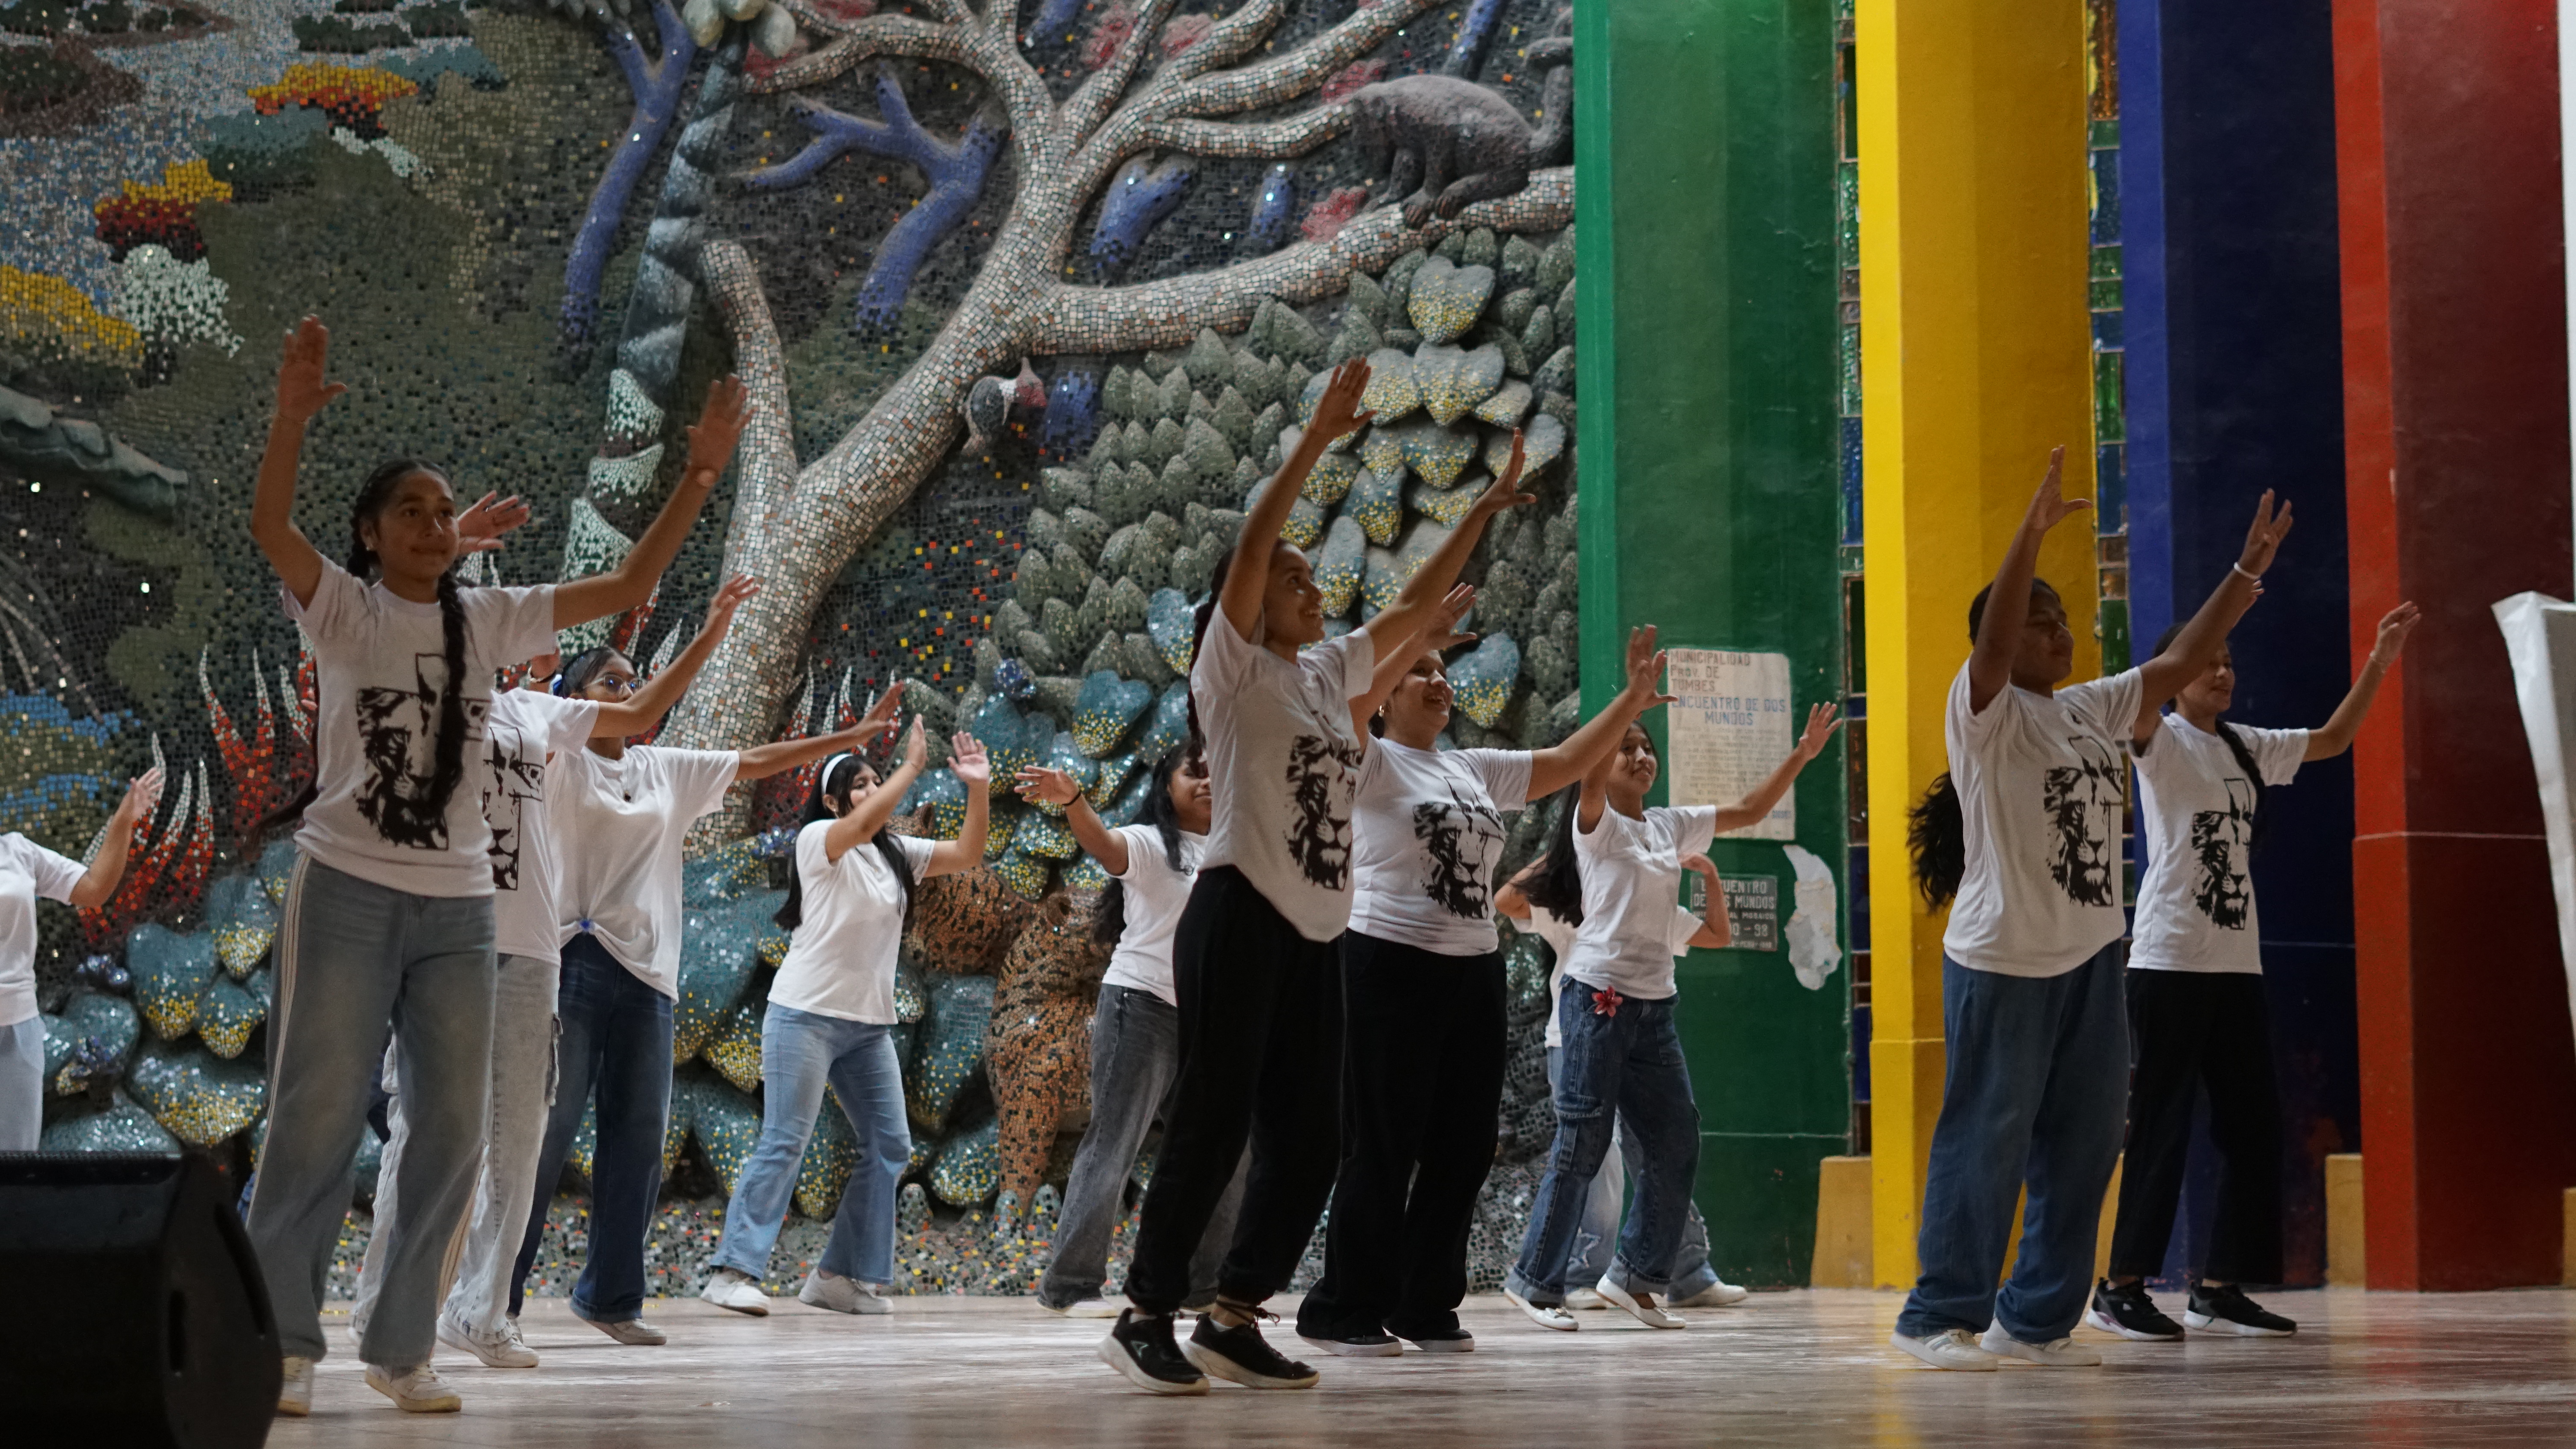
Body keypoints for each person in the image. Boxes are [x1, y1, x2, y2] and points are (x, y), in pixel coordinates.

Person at [245, 316, 747, 1416]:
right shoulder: (345, 606)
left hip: (464, 907)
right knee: (317, 1114)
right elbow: (270, 523)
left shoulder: (491, 617)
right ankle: (279, 1336)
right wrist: (289, 417)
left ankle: (401, 1342)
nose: (432, 524)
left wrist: (701, 474)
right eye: (410, 511)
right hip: (344, 887)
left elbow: (628, 584)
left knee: (458, 1128)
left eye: (442, 511)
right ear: (372, 535)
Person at [1095, 358, 1533, 1396]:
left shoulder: (1332, 675)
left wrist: (1484, 505)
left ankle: (1234, 1313)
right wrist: (1316, 441)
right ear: (1244, 606)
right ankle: (1145, 1309)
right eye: (1295, 580)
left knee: (1316, 1135)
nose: (1309, 586)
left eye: (1309, 578)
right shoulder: (1232, 665)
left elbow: (1420, 603)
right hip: (1239, 908)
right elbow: (1253, 546)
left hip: (1315, 935)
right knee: (1215, 1109)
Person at [1889, 448, 2292, 1372]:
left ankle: (2033, 1319)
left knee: (2083, 1147)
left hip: (2091, 961)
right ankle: (1937, 1315)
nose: (2059, 635)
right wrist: (2027, 539)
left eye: (2063, 621)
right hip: (2002, 959)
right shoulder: (1983, 711)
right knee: (1986, 1139)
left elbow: (2183, 659)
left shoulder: (2088, 709)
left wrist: (2245, 575)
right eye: (2039, 623)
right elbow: (1992, 643)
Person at [348, 577, 761, 1368]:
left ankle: (481, 1309)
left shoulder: (539, 714)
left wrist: (710, 634)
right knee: (424, 1129)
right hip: (445, 931)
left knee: (519, 1141)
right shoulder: (414, 691)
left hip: (533, 944)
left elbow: (638, 718)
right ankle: (382, 1317)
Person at [1290, 615, 1683, 1357]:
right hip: (1386, 960)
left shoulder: (1472, 767)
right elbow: (1345, 704)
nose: (1441, 681)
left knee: (1464, 1145)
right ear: (1384, 696)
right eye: (1422, 671)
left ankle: (1423, 1304)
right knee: (1382, 1140)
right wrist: (1408, 638)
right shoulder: (1366, 756)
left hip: (1473, 969)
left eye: (1444, 670)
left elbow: (1569, 759)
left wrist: (1631, 700)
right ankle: (1344, 1306)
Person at [507, 658, 901, 1343]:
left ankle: (610, 1300)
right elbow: (524, 716)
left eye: (633, 680)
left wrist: (847, 736)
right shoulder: (557, 759)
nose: (627, 692)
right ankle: (494, 1302)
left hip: (649, 974)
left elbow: (754, 759)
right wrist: (541, 682)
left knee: (638, 1142)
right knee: (548, 1134)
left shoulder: (663, 768)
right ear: (573, 702)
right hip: (575, 960)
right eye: (611, 682)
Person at [2086, 601, 2418, 1342]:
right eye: (2209, 660)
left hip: (2236, 964)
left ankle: (2217, 1286)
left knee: (2253, 1126)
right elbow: (2141, 694)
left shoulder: (2242, 748)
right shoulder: (2159, 737)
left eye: (2231, 660)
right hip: (2168, 960)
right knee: (2162, 1128)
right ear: (2178, 675)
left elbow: (2333, 739)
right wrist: (2231, 592)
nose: (2225, 671)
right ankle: (2120, 1286)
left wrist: (2378, 662)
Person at [1498, 701, 1842, 1331]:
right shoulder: (1594, 821)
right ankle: (1536, 1282)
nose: (1640, 756)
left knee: (1676, 1140)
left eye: (1647, 747)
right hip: (1595, 1000)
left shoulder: (1670, 826)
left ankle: (1634, 1276)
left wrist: (1803, 754)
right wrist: (1629, 699)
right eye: (1626, 747)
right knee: (1584, 1144)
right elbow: (1589, 770)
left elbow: (1749, 811)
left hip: (1654, 1008)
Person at [700, 718, 991, 1316]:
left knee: (889, 1144)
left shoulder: (895, 856)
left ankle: (837, 1277)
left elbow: (968, 852)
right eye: (860, 785)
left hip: (866, 1027)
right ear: (833, 801)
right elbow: (859, 824)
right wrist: (910, 768)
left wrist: (979, 789)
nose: (872, 793)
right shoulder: (819, 840)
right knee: (786, 1139)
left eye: (876, 781)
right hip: (803, 1015)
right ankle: (731, 1271)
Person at [1013, 745, 1251, 1319]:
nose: (1208, 780)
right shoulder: (1148, 844)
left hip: (1209, 1022)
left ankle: (1200, 1286)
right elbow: (1102, 842)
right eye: (1194, 771)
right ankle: (1071, 1284)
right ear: (1165, 789)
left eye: (1219, 771)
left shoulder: (1240, 853)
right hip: (1140, 1008)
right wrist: (1073, 800)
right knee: (1114, 1141)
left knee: (1228, 1153)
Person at [1498, 847, 1742, 1312]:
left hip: (1637, 1043)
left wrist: (1710, 874)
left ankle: (1686, 1271)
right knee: (1596, 1154)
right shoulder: (1571, 903)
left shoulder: (1649, 904)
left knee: (1661, 1150)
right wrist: (1565, 844)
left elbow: (1716, 934)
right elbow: (1508, 899)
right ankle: (1582, 1273)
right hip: (1572, 1041)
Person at [0, 767, 161, 1149]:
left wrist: (123, 822)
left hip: (18, 1027)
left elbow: (93, 889)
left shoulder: (16, 851)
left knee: (15, 1163)